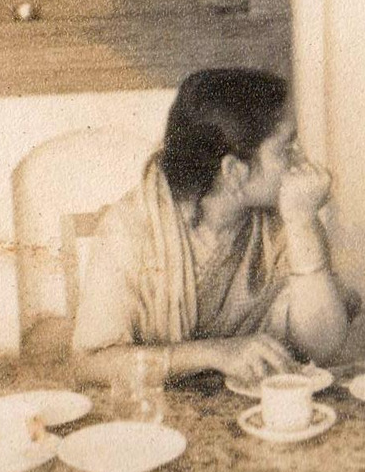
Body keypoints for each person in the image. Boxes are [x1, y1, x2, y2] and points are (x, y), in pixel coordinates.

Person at [72, 68, 349, 386]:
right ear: (234, 171)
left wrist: (302, 224)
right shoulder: (132, 226)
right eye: (286, 149)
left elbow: (322, 348)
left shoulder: (286, 215)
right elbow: (88, 364)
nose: (301, 162)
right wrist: (214, 353)